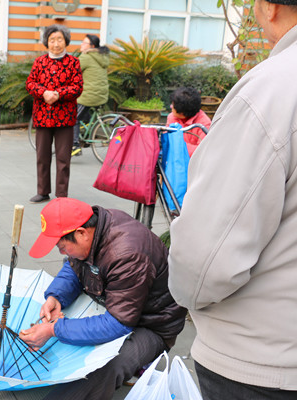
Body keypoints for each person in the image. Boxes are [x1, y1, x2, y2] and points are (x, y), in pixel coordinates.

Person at [168, 1, 297, 399]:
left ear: (268, 8)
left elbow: (205, 259)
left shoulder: (273, 91)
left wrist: (186, 295)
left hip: (263, 361)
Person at [19, 197, 186, 399]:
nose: (62, 252)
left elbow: (118, 323)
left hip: (153, 324)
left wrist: (54, 329)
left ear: (81, 233)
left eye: (62, 247)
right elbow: (73, 266)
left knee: (106, 366)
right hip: (118, 304)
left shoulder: (126, 255)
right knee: (67, 329)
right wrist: (56, 296)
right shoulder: (95, 226)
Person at [26, 25, 82, 203]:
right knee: (42, 157)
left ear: (66, 41)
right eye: (52, 40)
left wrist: (58, 94)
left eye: (59, 39)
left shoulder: (73, 62)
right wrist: (43, 93)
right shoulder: (39, 62)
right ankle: (42, 191)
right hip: (43, 117)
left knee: (63, 159)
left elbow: (77, 87)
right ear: (46, 42)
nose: (56, 43)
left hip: (65, 118)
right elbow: (30, 83)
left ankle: (61, 194)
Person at [72, 34, 109, 156]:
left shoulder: (86, 57)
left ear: (91, 46)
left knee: (72, 117)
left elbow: (72, 72)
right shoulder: (101, 56)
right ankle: (86, 126)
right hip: (102, 95)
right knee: (82, 108)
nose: (81, 45)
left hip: (90, 95)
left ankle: (75, 145)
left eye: (84, 43)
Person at [166, 87, 211, 157]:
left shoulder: (204, 124)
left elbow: (202, 152)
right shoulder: (172, 117)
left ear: (183, 113)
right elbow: (167, 140)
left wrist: (179, 146)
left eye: (173, 106)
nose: (171, 107)